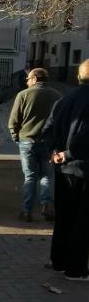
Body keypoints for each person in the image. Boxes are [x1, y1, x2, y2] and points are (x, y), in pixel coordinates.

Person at [39, 58, 89, 281]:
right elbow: (85, 136)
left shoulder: (63, 101)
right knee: (82, 221)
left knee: (64, 218)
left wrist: (54, 153)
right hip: (83, 168)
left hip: (62, 169)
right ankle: (75, 269)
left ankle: (58, 261)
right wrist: (68, 154)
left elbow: (47, 132)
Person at [8, 67, 61, 222]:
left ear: (35, 78)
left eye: (29, 79)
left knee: (30, 176)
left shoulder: (23, 95)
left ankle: (26, 211)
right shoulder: (57, 96)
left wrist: (16, 137)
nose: (28, 82)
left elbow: (13, 120)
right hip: (49, 144)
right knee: (47, 176)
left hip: (27, 141)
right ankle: (47, 205)